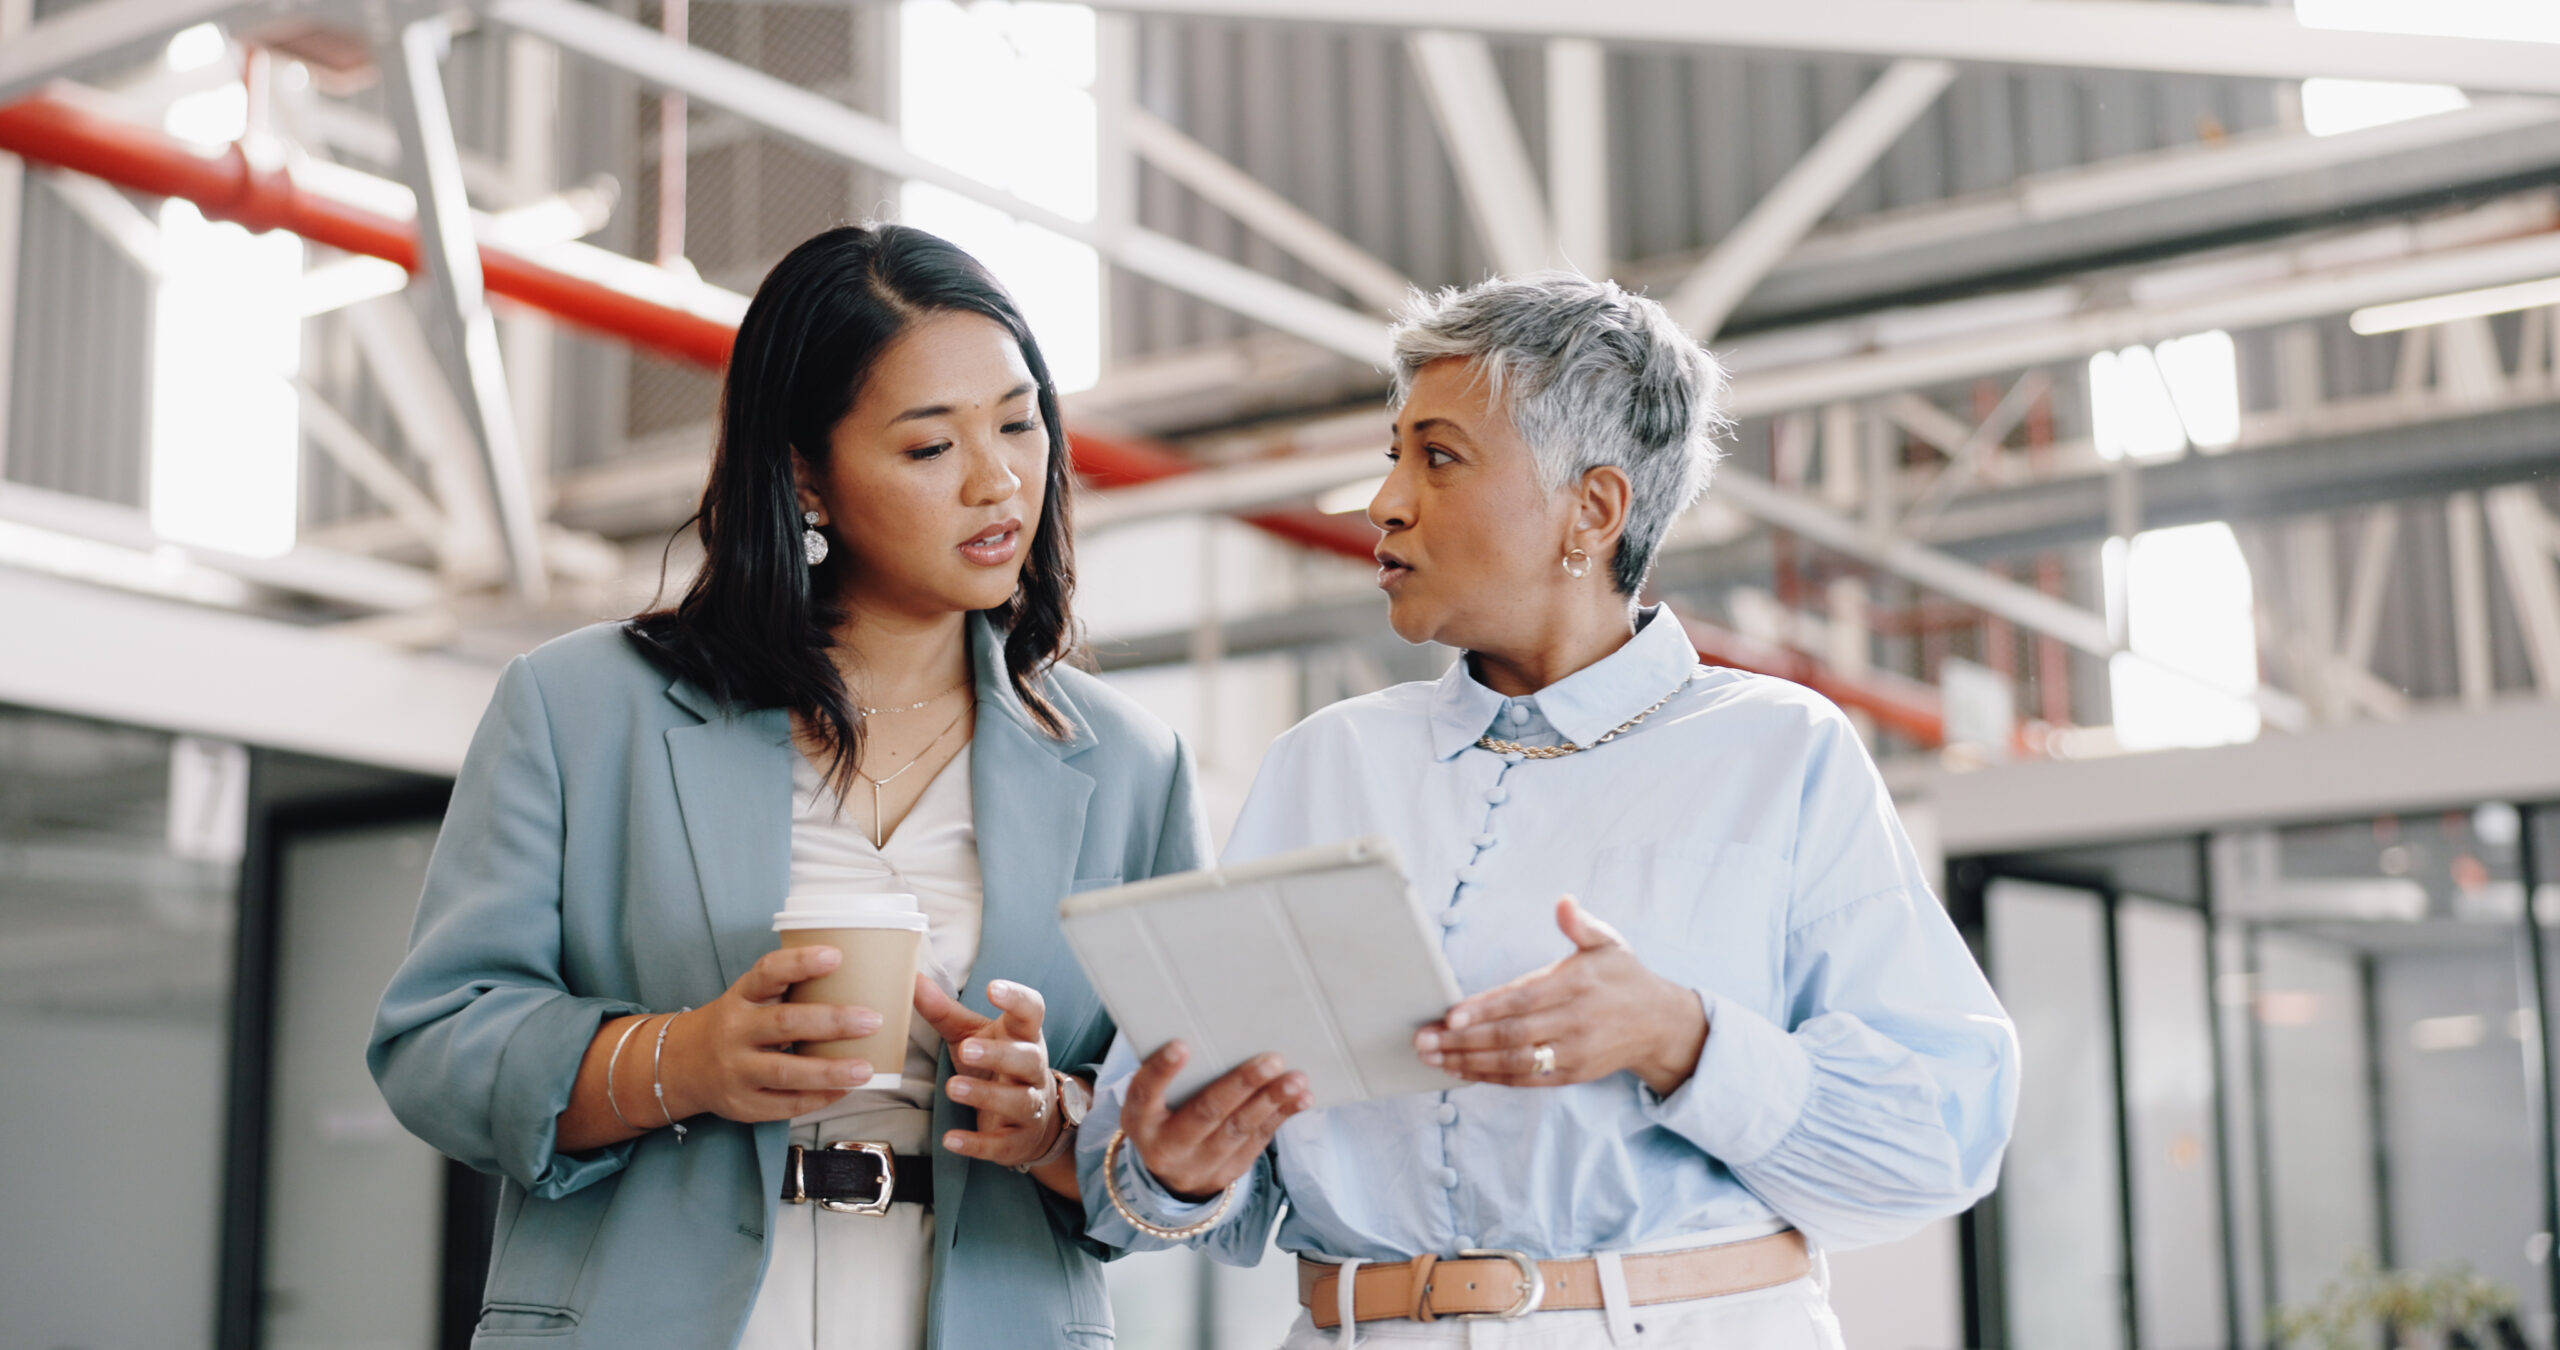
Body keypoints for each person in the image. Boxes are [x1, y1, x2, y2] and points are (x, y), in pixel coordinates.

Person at [1079, 273, 2020, 1348]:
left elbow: (1932, 1151)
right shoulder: (1321, 764)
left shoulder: (1779, 752)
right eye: (1393, 455)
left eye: (1436, 457)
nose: (1385, 501)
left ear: (1594, 507)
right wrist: (1174, 1172)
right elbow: (1152, 1181)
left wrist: (1681, 1038)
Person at [370, 224, 1206, 1350]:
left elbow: (1180, 1154)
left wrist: (1052, 1123)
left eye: (1019, 421)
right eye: (928, 449)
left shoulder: (1129, 762)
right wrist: (684, 1059)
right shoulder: (581, 708)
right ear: (806, 475)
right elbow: (436, 1049)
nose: (999, 478)